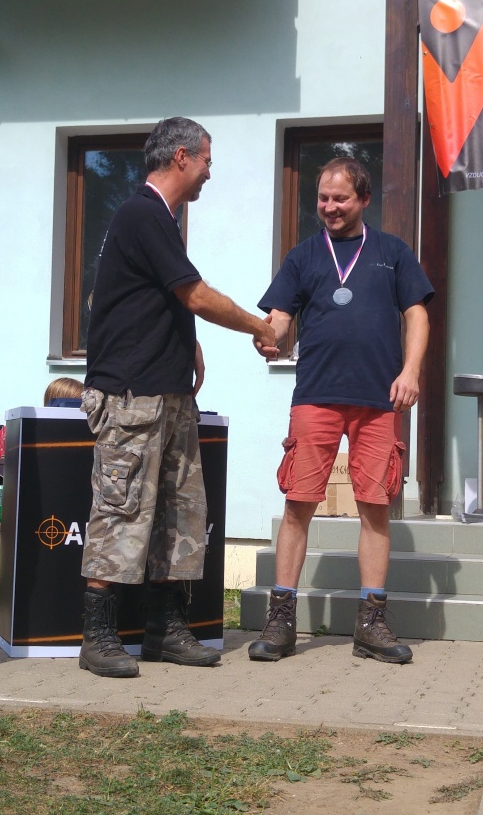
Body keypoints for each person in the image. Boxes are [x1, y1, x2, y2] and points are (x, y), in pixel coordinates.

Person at [76, 116, 280, 679]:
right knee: (120, 511)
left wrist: (187, 346)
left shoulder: (162, 219)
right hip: (131, 395)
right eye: (208, 161)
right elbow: (194, 295)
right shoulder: (142, 212)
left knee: (180, 513)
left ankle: (165, 631)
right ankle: (98, 637)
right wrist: (261, 327)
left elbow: (155, 298)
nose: (210, 173)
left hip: (169, 395)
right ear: (182, 156)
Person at [251, 157, 432, 665]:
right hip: (316, 396)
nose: (329, 207)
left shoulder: (393, 252)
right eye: (323, 198)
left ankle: (371, 624)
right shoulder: (303, 255)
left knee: (375, 507)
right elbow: (279, 317)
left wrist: (411, 371)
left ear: (364, 199)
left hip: (379, 399)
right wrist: (269, 337)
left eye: (341, 199)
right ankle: (281, 621)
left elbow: (417, 314)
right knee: (298, 504)